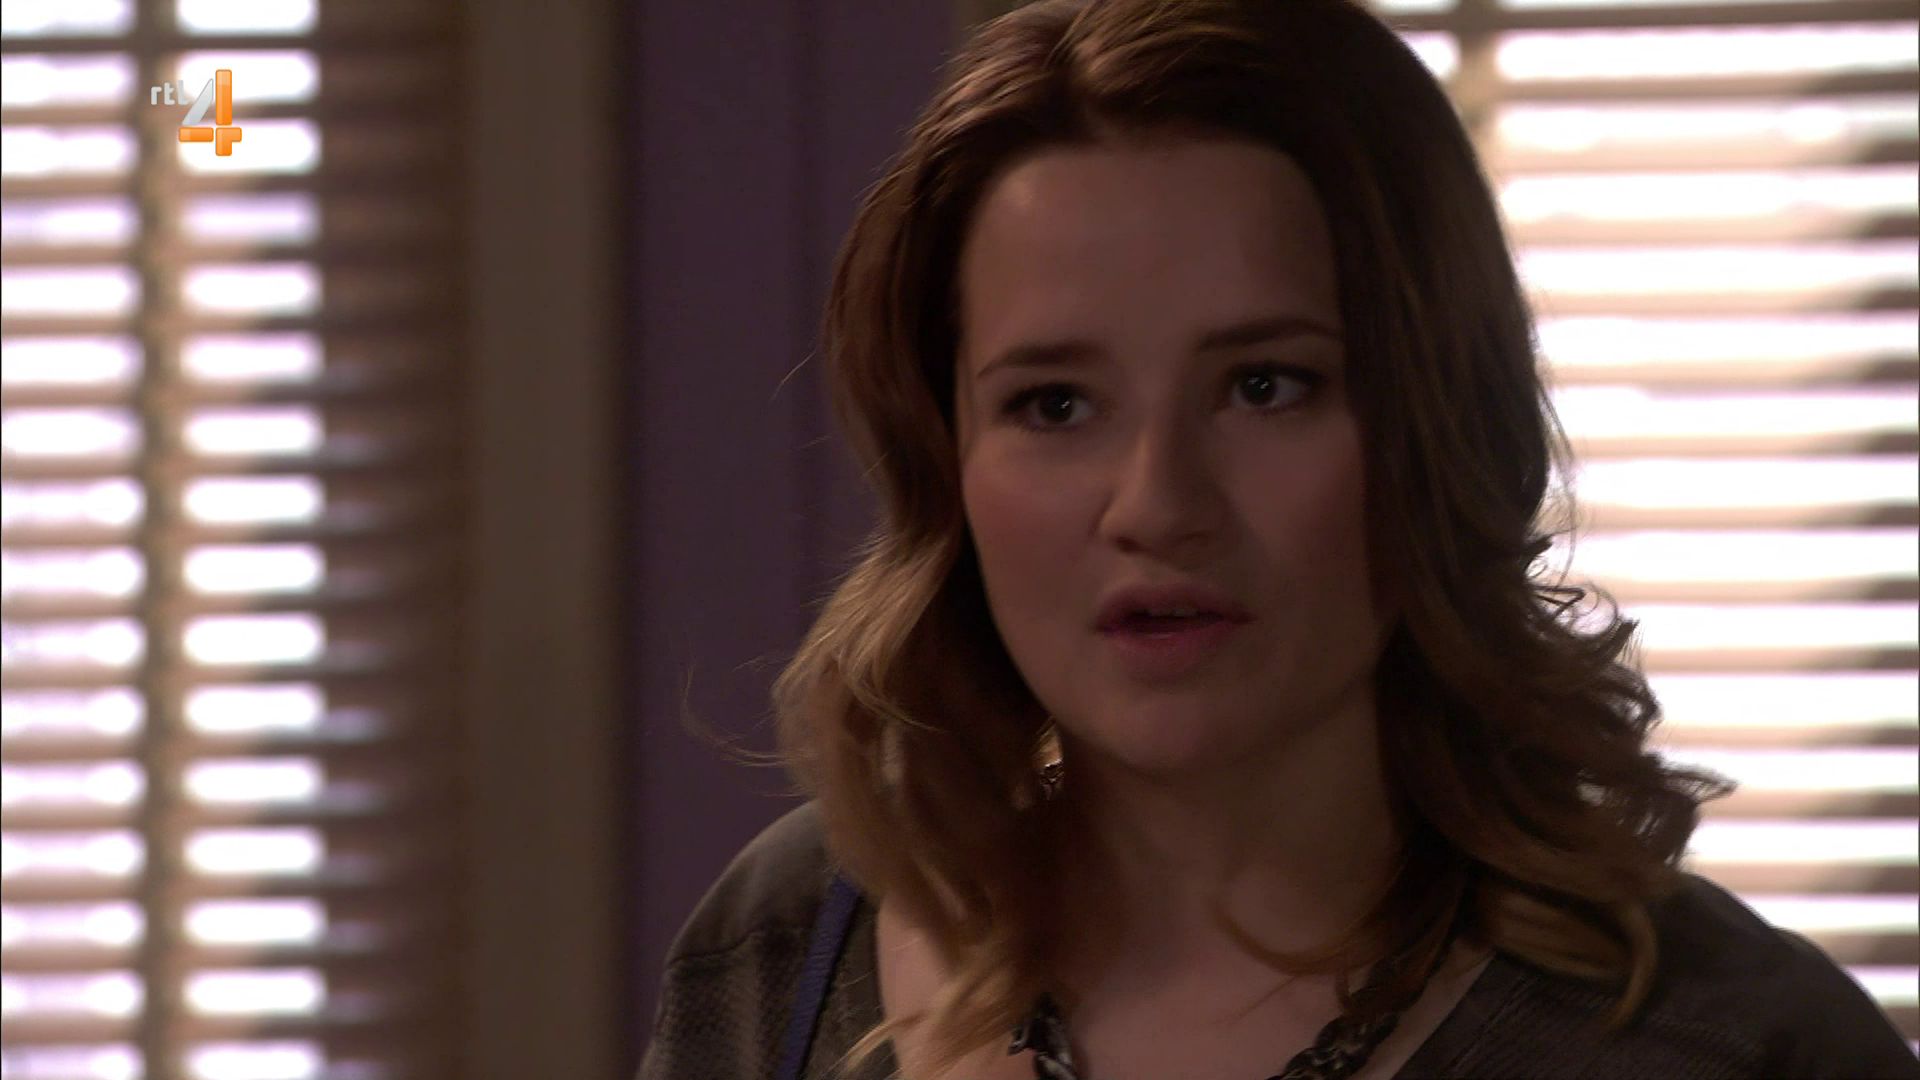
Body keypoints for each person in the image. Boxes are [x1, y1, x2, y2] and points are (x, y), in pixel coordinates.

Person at [636, 0, 1920, 1077]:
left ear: (1437, 425)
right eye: (1055, 405)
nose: (1156, 504)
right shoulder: (789, 950)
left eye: (1265, 386)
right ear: (947, 463)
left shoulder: (1733, 1046)